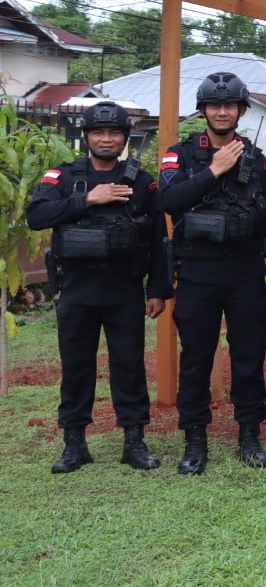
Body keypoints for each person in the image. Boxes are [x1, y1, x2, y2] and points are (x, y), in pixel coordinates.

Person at [26, 101, 168, 473]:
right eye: (98, 132)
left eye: (114, 132)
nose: (106, 138)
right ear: (86, 136)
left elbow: (157, 238)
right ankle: (74, 443)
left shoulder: (141, 180)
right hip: (77, 288)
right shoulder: (63, 176)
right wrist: (89, 198)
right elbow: (36, 215)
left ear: (125, 137)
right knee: (75, 367)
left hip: (123, 289)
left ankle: (134, 442)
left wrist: (157, 289)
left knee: (129, 366)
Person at [160, 72, 266, 475]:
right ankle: (195, 440)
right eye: (214, 105)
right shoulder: (179, 154)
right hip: (197, 273)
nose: (222, 111)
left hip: (246, 274)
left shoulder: (257, 158)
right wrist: (213, 170)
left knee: (248, 357)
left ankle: (249, 435)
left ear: (241, 111)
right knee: (196, 359)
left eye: (229, 105)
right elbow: (168, 200)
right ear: (204, 111)